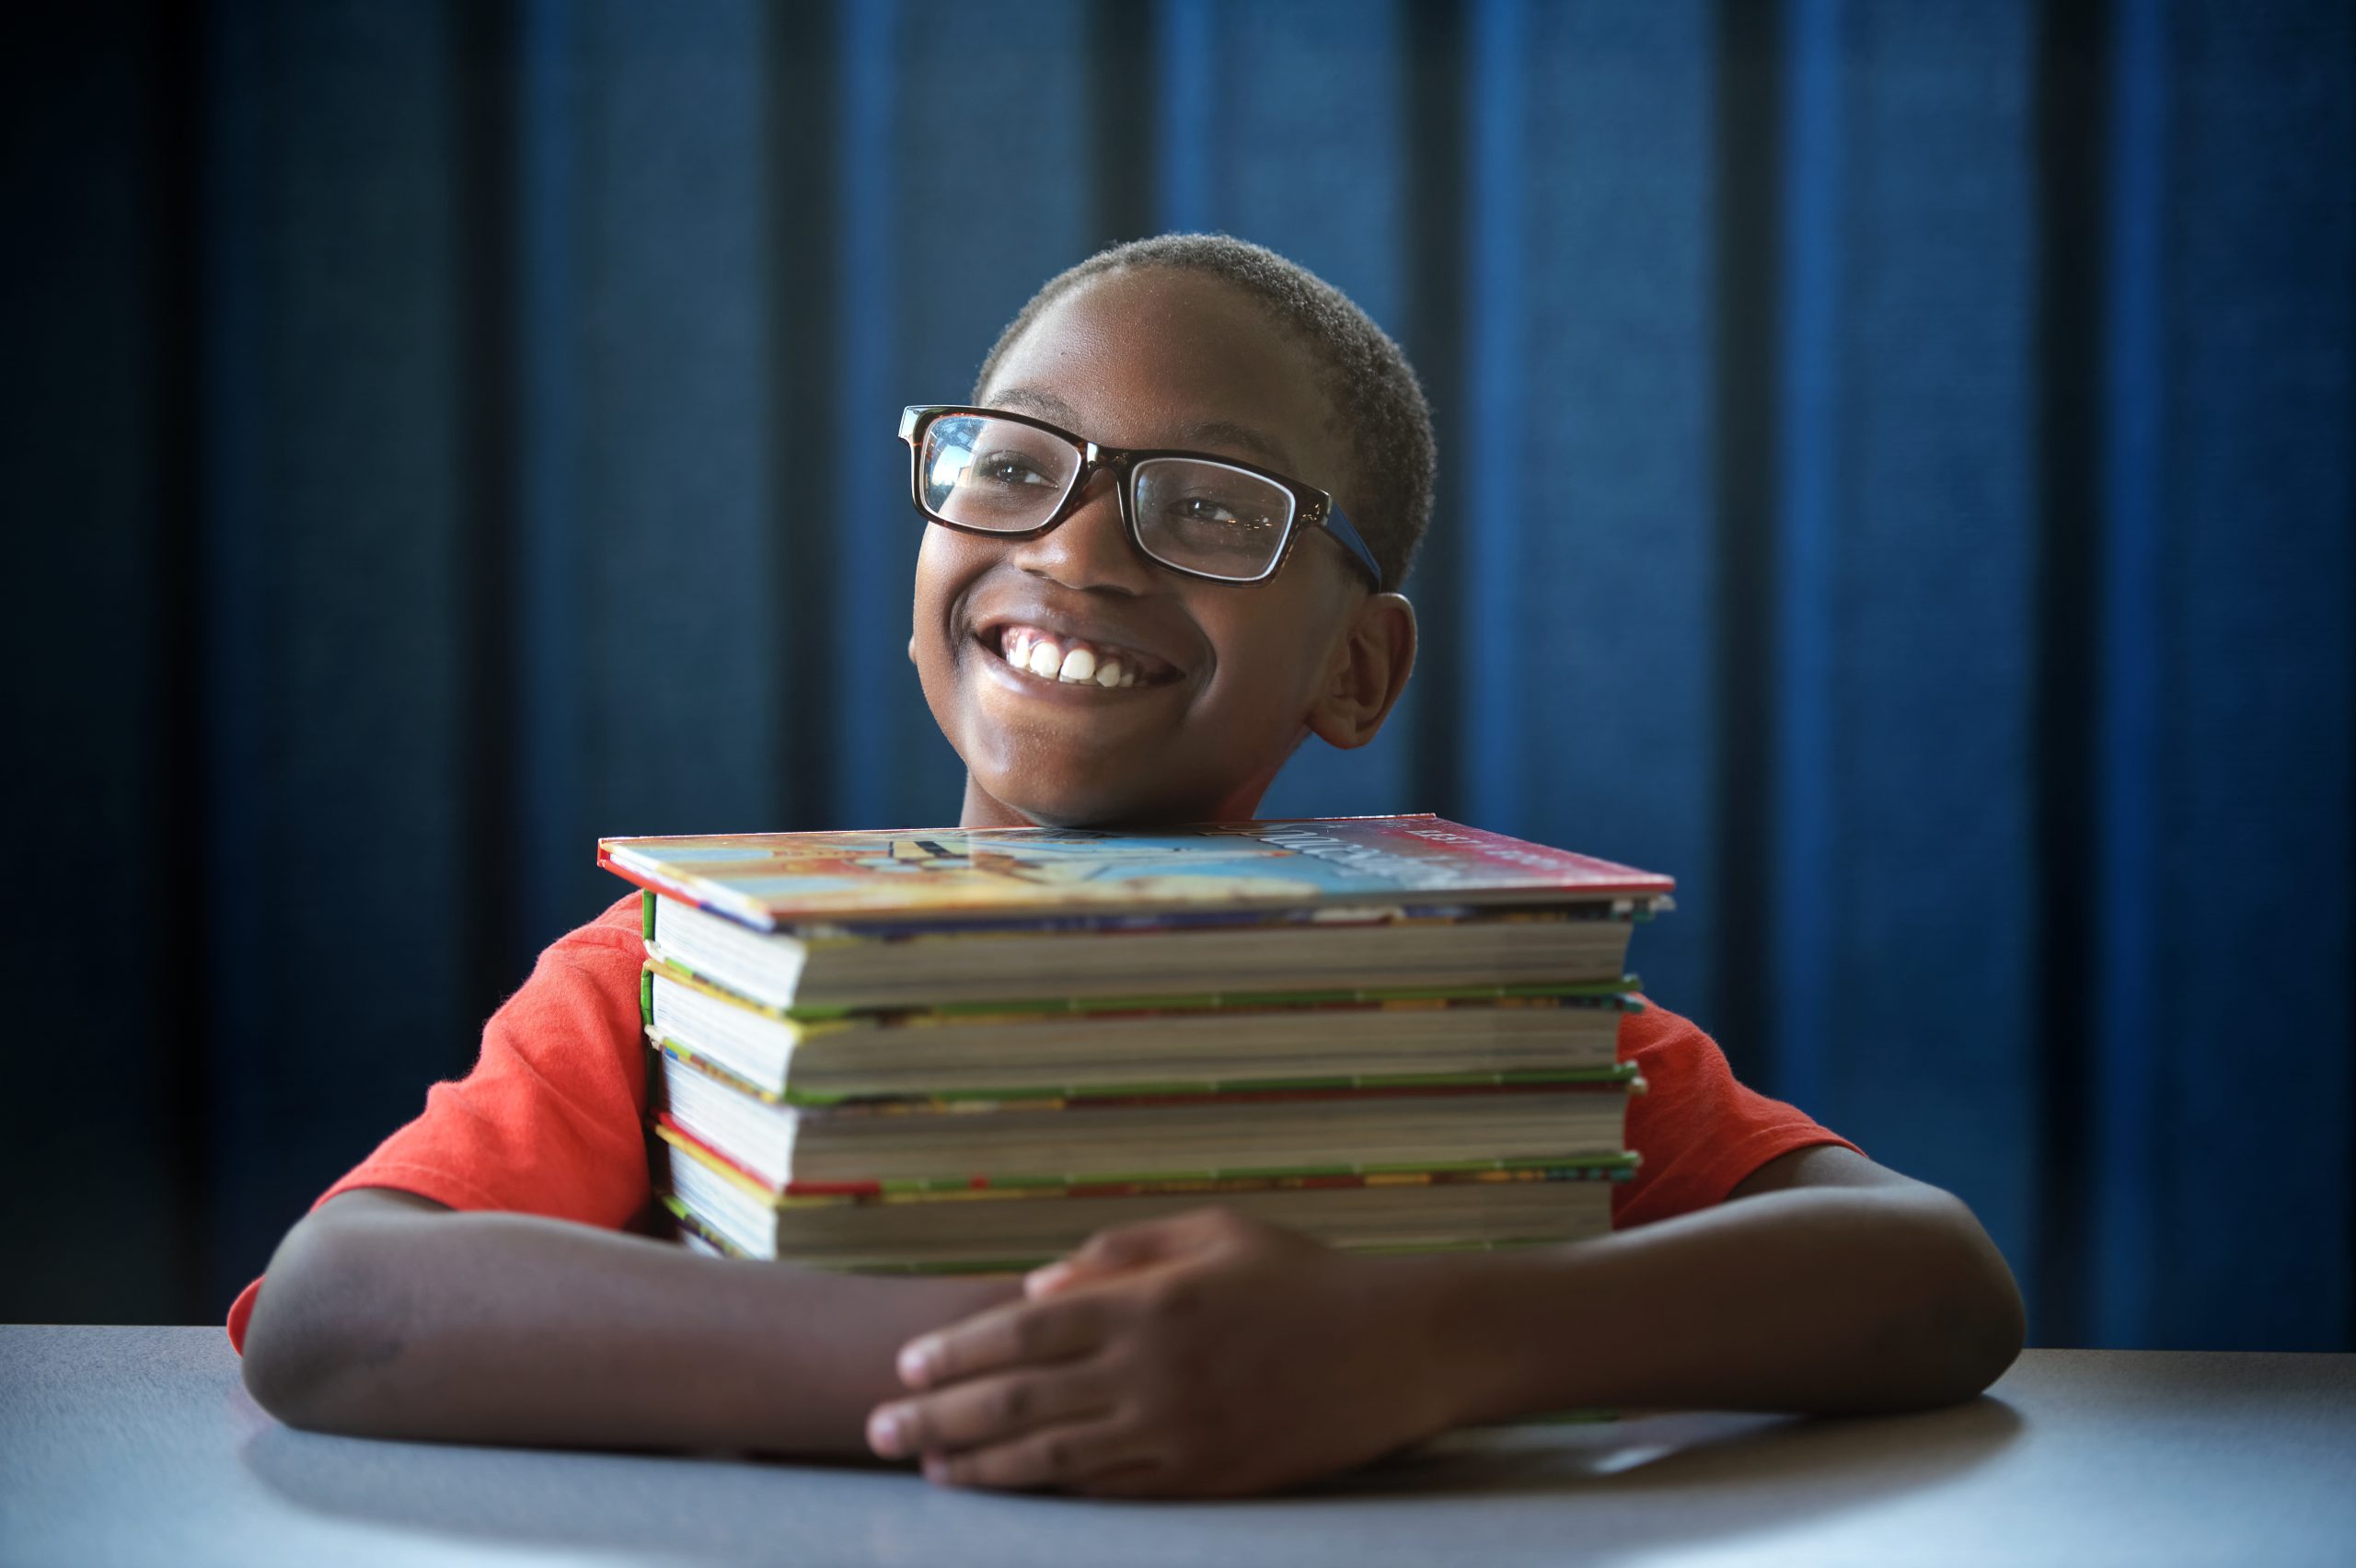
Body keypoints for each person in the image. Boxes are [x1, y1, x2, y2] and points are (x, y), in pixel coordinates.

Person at [237, 235, 2024, 1500]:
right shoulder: (693, 968)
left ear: (1357, 668)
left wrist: (1408, 1352)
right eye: (1007, 464)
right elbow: (337, 1309)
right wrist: (1040, 1376)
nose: (1077, 548)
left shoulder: (1471, 1010)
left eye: (1211, 508)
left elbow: (1926, 1280)